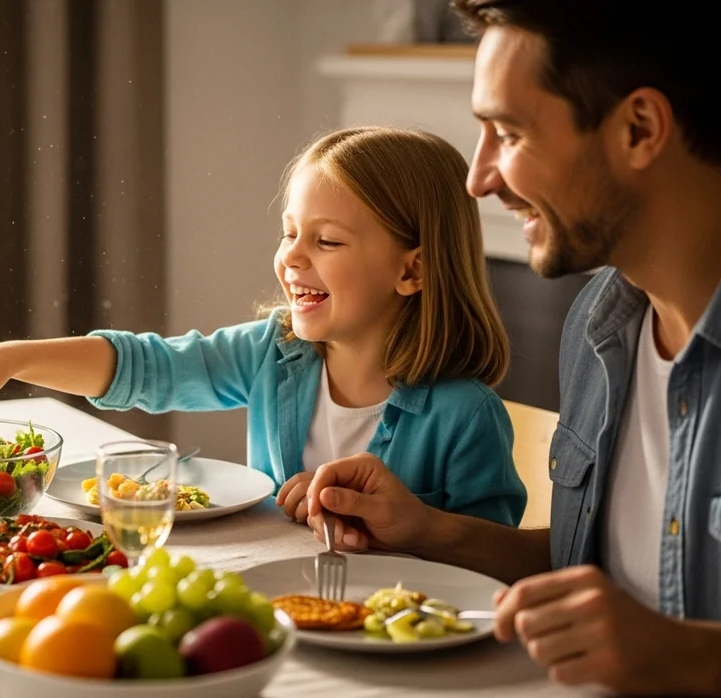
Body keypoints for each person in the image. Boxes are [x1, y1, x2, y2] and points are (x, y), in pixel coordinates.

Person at [296, 1, 721, 694]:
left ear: (639, 129)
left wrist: (684, 655)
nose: (479, 177)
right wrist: (429, 530)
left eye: (508, 134)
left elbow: (653, 629)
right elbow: (598, 566)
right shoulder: (597, 328)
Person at [0, 126, 527, 527]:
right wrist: (13, 358)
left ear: (412, 269)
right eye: (289, 232)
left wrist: (411, 526)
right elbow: (147, 368)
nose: (290, 256)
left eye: (328, 240)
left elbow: (492, 561)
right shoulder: (275, 353)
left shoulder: (464, 415)